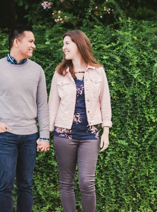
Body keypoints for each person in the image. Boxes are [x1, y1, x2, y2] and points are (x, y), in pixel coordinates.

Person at [0, 25, 50, 212]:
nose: (34, 45)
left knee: (26, 185)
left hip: (30, 136)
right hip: (6, 136)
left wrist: (44, 136)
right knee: (6, 185)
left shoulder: (37, 70)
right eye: (31, 41)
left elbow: (43, 105)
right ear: (16, 42)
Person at [48, 30, 112, 212]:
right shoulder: (59, 73)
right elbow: (52, 106)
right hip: (63, 134)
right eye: (63, 44)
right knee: (66, 182)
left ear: (79, 44)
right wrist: (45, 135)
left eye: (67, 43)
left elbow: (105, 102)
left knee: (86, 181)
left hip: (89, 134)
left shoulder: (98, 71)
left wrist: (106, 130)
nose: (64, 47)